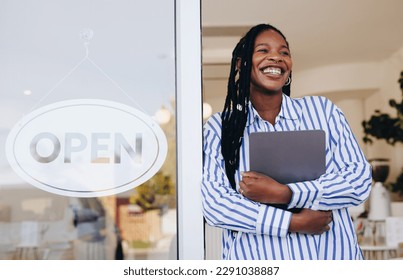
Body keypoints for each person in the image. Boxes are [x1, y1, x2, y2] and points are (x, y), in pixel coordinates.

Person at [201, 23, 372, 260]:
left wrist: (285, 194)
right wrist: (292, 222)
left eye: (284, 53)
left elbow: (358, 180)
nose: (276, 58)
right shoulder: (221, 128)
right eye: (263, 50)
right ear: (241, 63)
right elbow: (216, 205)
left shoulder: (323, 112)